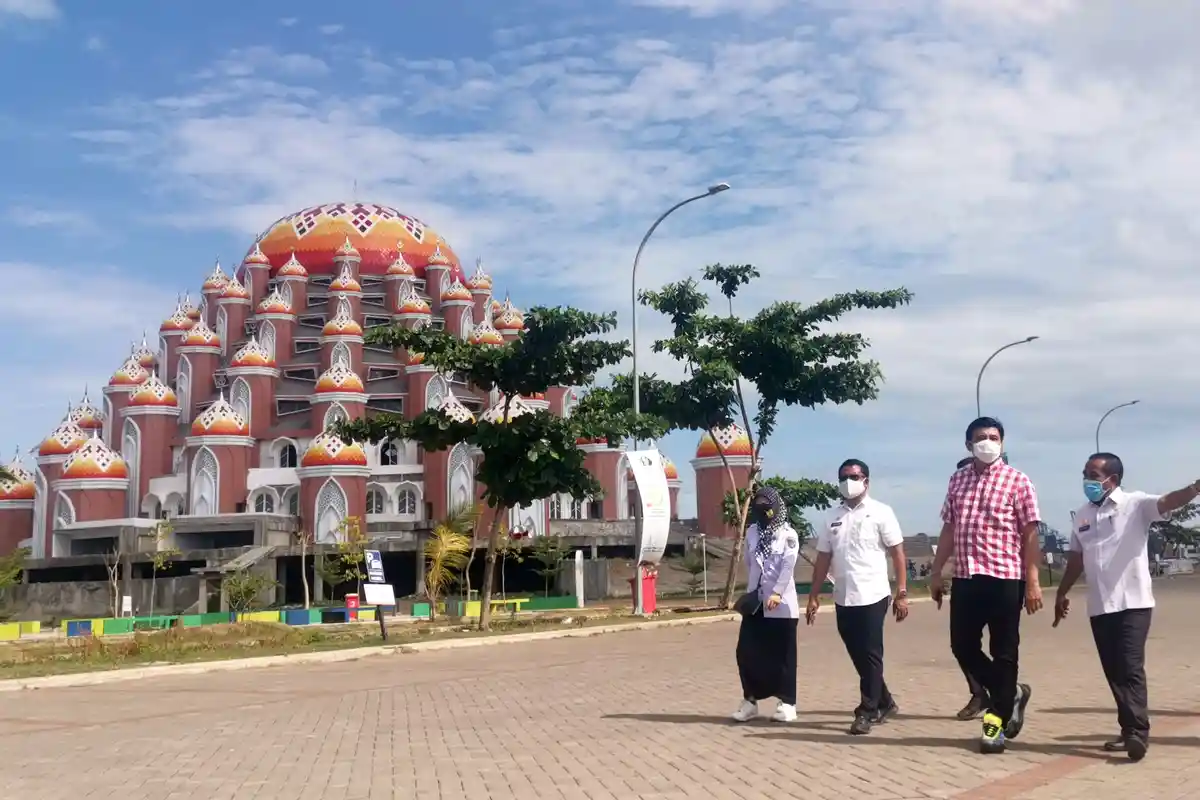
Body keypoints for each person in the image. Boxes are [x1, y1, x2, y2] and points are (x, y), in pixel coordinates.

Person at [1054, 453, 1200, 762]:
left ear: (1113, 479)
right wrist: (1061, 593)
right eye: (1085, 473)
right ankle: (1128, 729)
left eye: (1094, 474)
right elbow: (1076, 560)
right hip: (1099, 605)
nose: (1087, 480)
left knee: (1130, 667)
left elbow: (1168, 502)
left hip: (1133, 603)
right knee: (1114, 671)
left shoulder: (1136, 505)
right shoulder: (1081, 515)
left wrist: (1196, 488)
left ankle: (1137, 733)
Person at [929, 417, 1043, 754]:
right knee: (962, 646)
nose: (988, 442)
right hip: (966, 577)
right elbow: (949, 529)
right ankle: (1012, 693)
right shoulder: (957, 481)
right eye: (981, 437)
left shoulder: (1018, 481)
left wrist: (1033, 580)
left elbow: (1031, 533)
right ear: (968, 444)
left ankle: (996, 722)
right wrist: (937, 572)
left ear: (1003, 444)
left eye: (994, 437)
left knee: (1004, 652)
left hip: (1006, 577)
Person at [806, 459, 908, 735]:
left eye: (854, 476)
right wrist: (814, 596)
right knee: (858, 654)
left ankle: (867, 710)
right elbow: (823, 558)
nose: (848, 481)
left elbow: (898, 553)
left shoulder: (881, 512)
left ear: (866, 480)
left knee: (871, 653)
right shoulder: (831, 517)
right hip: (843, 595)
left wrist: (902, 592)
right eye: (843, 477)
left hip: (873, 594)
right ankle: (885, 700)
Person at [732, 486, 801, 723]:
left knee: (783, 656)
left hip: (781, 605)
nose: (763, 511)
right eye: (758, 506)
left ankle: (788, 703)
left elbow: (788, 566)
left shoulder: (788, 534)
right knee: (746, 652)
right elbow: (750, 564)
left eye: (767, 506)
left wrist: (777, 593)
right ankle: (750, 701)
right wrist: (754, 591)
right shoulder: (751, 532)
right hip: (756, 603)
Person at [953, 455, 991, 721]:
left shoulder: (1001, 497)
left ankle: (1004, 694)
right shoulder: (958, 503)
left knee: (1004, 646)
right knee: (961, 644)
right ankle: (981, 692)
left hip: (1001, 579)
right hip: (966, 579)